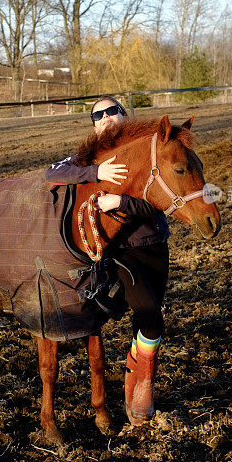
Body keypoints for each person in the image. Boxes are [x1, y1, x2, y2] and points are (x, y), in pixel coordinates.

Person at [45, 95, 169, 424]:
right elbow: (53, 172)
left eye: (111, 111)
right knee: (151, 317)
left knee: (147, 324)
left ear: (123, 114)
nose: (104, 118)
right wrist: (95, 170)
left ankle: (136, 378)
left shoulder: (145, 151)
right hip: (125, 250)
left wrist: (121, 202)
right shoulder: (93, 157)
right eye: (97, 115)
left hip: (157, 244)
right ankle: (140, 392)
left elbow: (160, 203)